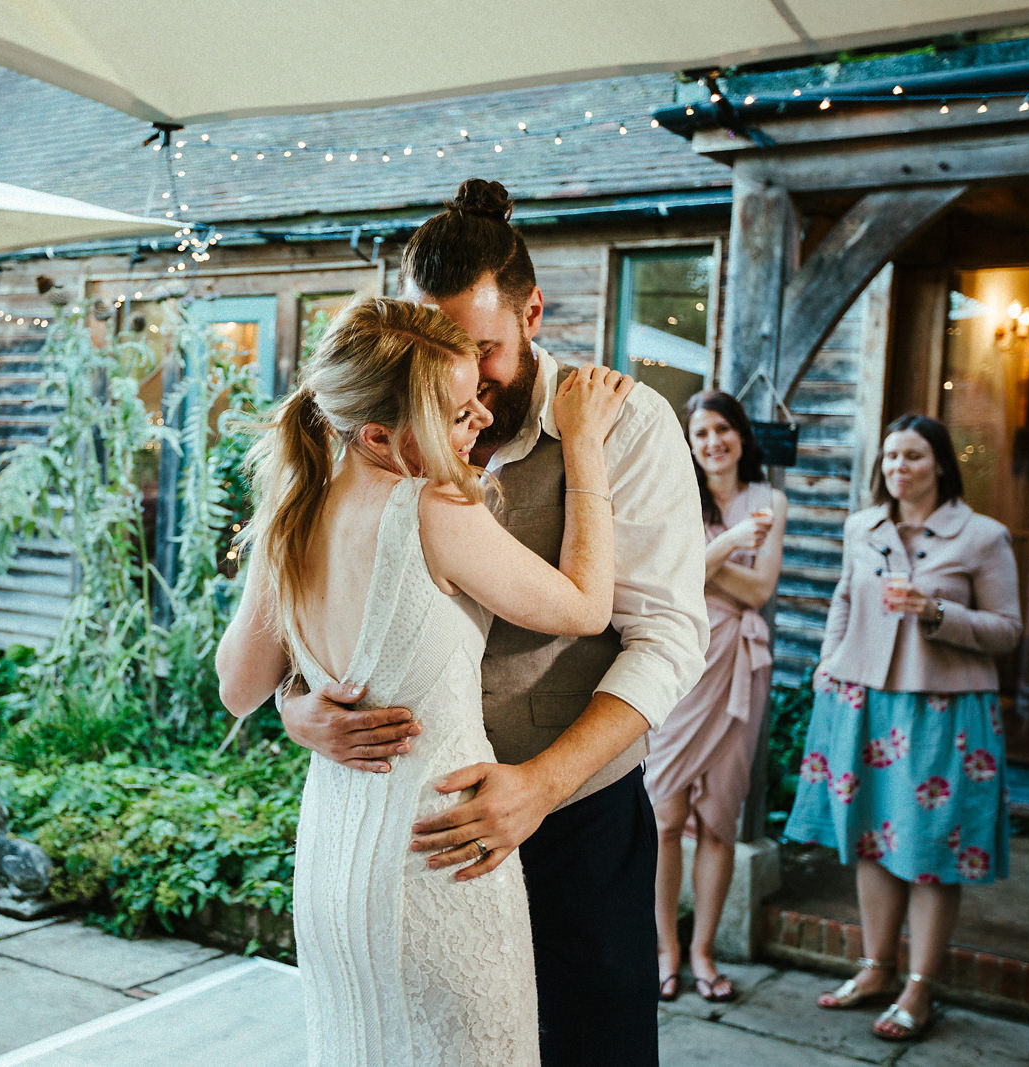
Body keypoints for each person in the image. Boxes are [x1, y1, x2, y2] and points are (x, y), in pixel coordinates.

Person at [278, 179, 708, 1066]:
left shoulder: (628, 428)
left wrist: (542, 784)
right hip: (415, 843)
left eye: (481, 349)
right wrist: (299, 701)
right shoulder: (377, 422)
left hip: (577, 823)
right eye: (435, 352)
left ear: (534, 312)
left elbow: (668, 638)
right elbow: (307, 584)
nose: (461, 382)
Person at [218, 296, 632, 1065]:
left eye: (475, 390)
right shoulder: (430, 506)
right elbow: (585, 605)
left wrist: (295, 702)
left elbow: (237, 688)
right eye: (451, 410)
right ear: (379, 434)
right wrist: (584, 445)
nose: (478, 416)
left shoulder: (291, 508)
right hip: (436, 864)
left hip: (333, 861)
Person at [786, 413, 1021, 1041]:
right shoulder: (862, 526)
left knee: (931, 849)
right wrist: (828, 664)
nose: (898, 468)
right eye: (890, 457)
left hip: (946, 712)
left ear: (940, 464)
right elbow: (843, 597)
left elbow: (1008, 630)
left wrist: (938, 611)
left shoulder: (983, 536)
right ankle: (875, 968)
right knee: (870, 838)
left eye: (913, 456)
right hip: (864, 702)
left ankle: (919, 986)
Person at [647, 391, 787, 1004]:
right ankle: (665, 950)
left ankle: (703, 951)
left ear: (740, 436)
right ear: (690, 443)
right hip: (682, 665)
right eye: (700, 433)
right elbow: (670, 579)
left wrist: (700, 561)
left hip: (738, 667)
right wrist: (727, 547)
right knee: (664, 818)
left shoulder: (770, 501)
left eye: (722, 430)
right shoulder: (677, 496)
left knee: (719, 822)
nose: (712, 443)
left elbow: (760, 591)